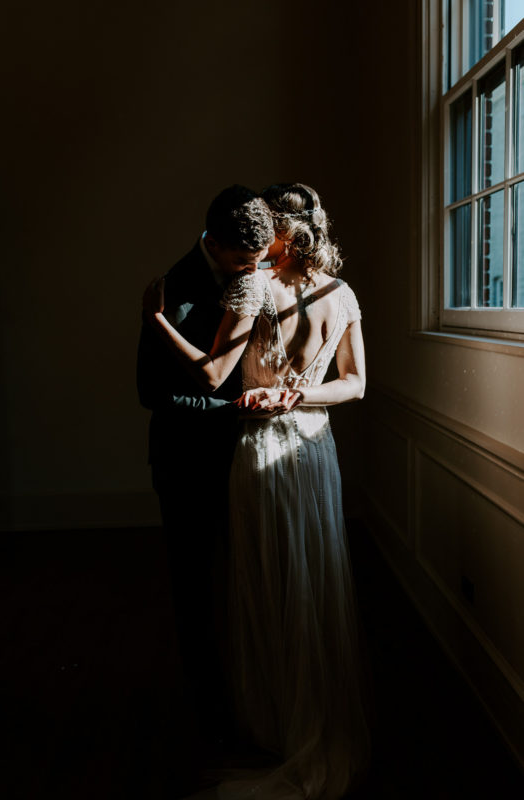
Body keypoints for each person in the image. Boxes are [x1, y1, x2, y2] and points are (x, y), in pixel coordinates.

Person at [142, 183, 371, 799]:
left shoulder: (252, 288)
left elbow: (214, 373)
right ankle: (314, 712)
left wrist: (158, 319)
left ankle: (272, 719)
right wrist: (298, 395)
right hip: (316, 449)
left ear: (285, 235)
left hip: (264, 448)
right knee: (313, 578)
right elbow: (354, 385)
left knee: (266, 579)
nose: (256, 242)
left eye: (267, 228)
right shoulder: (341, 294)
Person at [136, 185, 287, 753]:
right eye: (243, 263)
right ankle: (209, 714)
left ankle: (253, 694)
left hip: (246, 455)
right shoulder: (174, 289)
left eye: (260, 260)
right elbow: (150, 391)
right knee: (196, 585)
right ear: (214, 244)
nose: (254, 272)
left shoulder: (255, 272)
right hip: (187, 458)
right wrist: (230, 408)